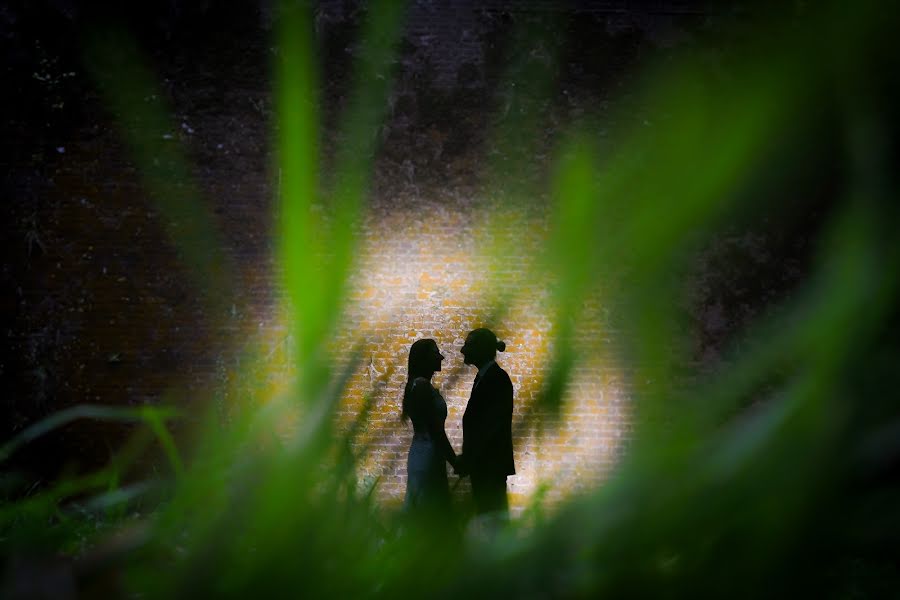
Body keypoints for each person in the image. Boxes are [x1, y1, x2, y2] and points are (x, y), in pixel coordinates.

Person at [456, 328, 515, 517]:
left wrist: (470, 457)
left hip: (491, 465)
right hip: (484, 465)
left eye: (469, 345)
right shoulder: (483, 378)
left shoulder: (497, 378)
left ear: (481, 348)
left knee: (492, 518)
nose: (463, 350)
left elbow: (493, 426)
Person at [402, 338, 458, 517]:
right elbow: (436, 431)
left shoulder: (419, 385)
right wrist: (455, 461)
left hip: (427, 454)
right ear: (424, 359)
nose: (440, 357)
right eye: (435, 353)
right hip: (428, 456)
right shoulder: (422, 387)